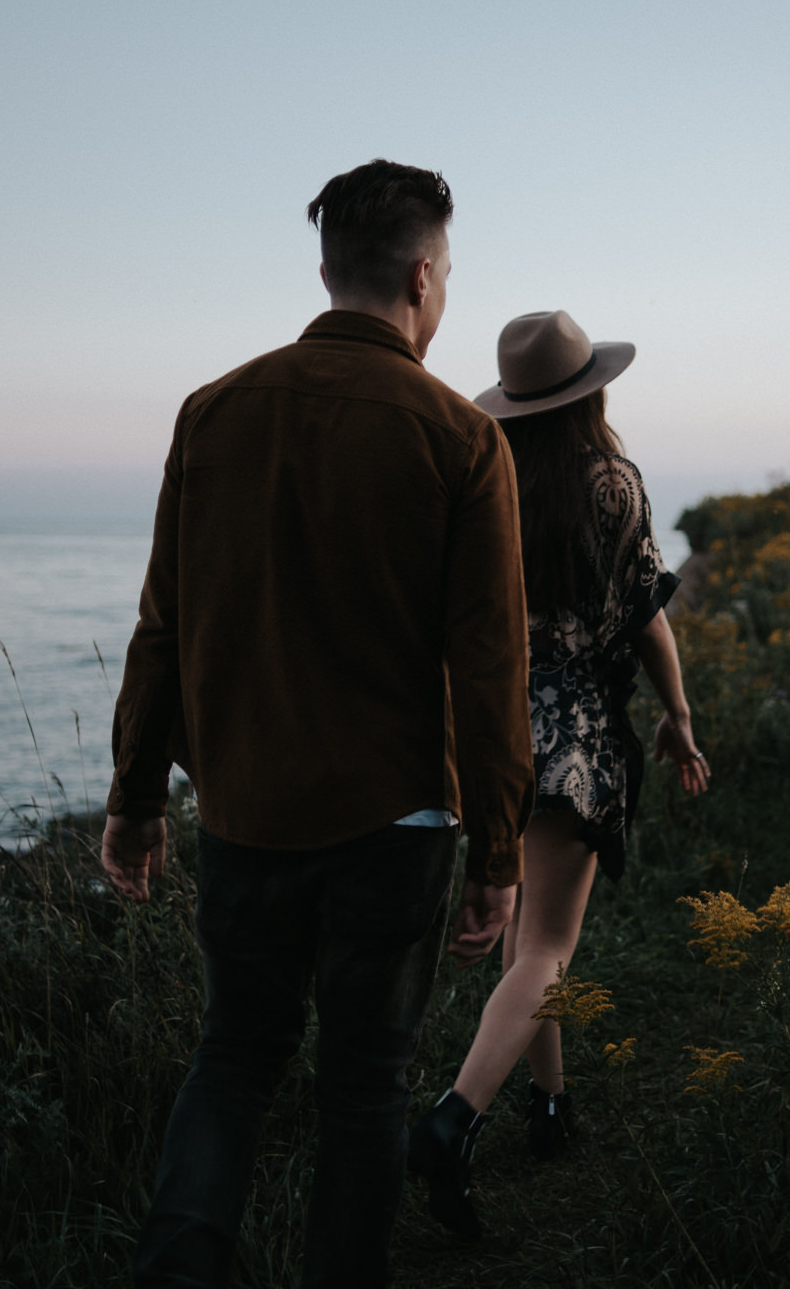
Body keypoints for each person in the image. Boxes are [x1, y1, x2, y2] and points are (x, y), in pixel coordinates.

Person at [100, 160, 535, 1289]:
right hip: (397, 820)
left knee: (233, 1059)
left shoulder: (214, 410)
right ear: (424, 276)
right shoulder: (460, 439)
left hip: (245, 812)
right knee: (364, 1084)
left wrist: (137, 795)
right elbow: (490, 664)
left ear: (328, 267)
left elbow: (163, 622)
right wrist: (497, 848)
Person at [407, 310, 711, 1239]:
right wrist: (680, 718)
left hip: (488, 725)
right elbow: (648, 615)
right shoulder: (611, 482)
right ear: (593, 393)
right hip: (575, 729)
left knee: (529, 935)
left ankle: (550, 1102)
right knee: (547, 946)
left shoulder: (481, 471)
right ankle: (453, 1118)